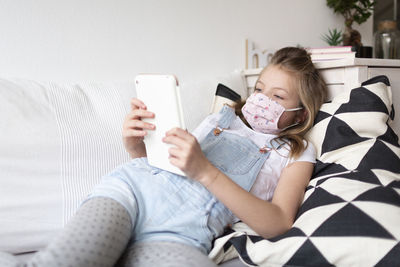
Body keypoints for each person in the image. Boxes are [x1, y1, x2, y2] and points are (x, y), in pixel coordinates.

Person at [0, 47, 327, 267]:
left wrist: (206, 172)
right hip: (131, 194)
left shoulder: (296, 152)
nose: (261, 100)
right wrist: (135, 144)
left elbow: (279, 223)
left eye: (278, 96)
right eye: (258, 89)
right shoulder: (222, 118)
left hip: (181, 233)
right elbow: (164, 163)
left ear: (301, 115)